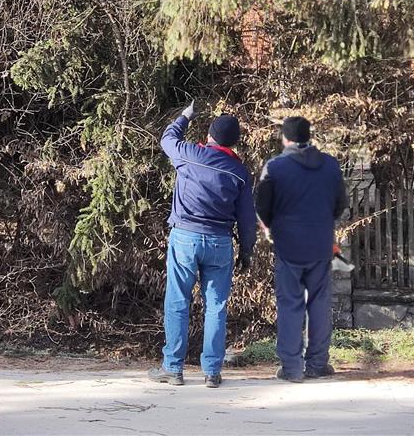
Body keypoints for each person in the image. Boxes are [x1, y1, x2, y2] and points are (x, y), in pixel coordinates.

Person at [148, 101, 257, 388]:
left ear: (209, 136)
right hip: (220, 243)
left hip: (185, 237)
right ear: (234, 142)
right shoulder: (239, 172)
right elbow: (247, 220)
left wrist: (185, 115)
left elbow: (167, 139)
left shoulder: (190, 154)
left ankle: (173, 368)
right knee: (216, 307)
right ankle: (212, 372)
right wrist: (246, 251)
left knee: (177, 301)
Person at [255, 116, 349, 382]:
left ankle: (292, 367)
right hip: (320, 244)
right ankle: (318, 364)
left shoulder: (275, 167)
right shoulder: (330, 165)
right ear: (309, 136)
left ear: (285, 138)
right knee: (319, 303)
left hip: (288, 245)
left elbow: (262, 207)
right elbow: (340, 205)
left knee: (290, 304)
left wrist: (272, 226)